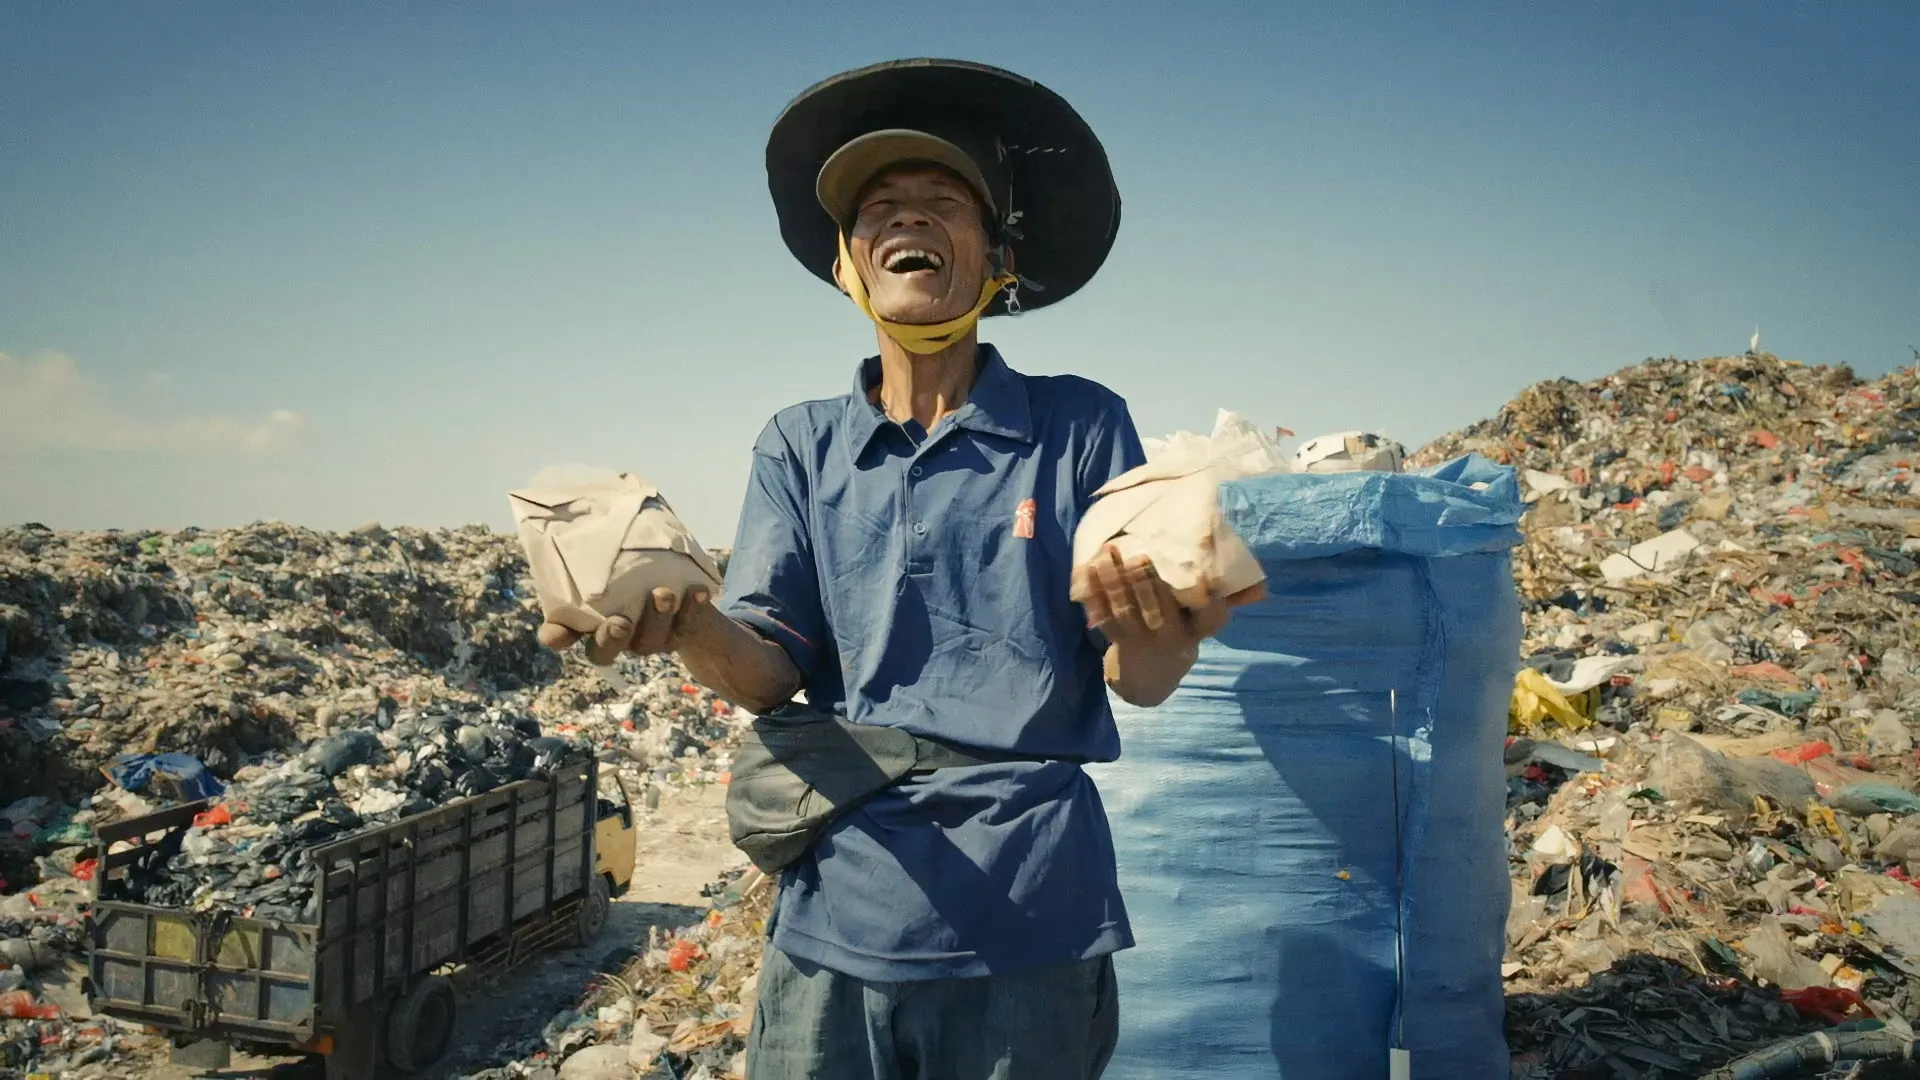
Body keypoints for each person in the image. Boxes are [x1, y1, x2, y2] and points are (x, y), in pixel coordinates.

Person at [538, 58, 1260, 1079]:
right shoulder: (800, 445)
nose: (907, 218)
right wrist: (687, 622)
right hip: (843, 909)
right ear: (847, 265)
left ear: (999, 256)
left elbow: (1133, 679)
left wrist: (1164, 637)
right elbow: (769, 673)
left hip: (1032, 913)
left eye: (943, 202)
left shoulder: (1079, 425)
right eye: (878, 208)